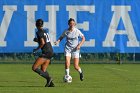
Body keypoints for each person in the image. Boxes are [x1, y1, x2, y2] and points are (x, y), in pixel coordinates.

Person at [32, 19, 54, 87]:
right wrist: (37, 40)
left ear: (36, 24)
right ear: (42, 24)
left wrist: (36, 49)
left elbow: (43, 43)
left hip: (46, 52)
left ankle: (49, 78)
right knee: (43, 70)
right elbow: (44, 40)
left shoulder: (39, 32)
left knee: (34, 67)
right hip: (50, 51)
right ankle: (51, 83)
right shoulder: (44, 31)